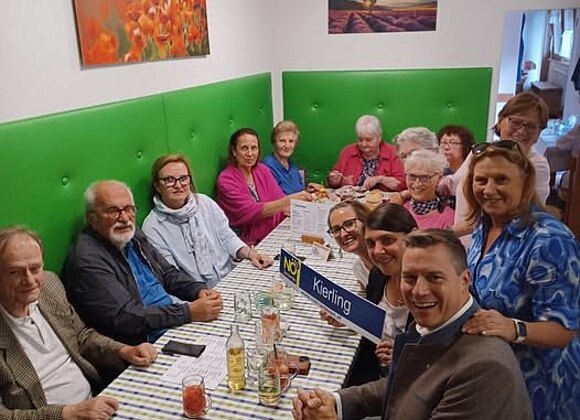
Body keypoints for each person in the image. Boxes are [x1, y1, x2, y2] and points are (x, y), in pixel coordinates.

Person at [292, 229, 532, 420]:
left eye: (434, 277)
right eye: (409, 277)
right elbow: (405, 385)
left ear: (464, 280)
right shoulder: (435, 322)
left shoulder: (484, 370)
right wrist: (336, 402)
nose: (419, 291)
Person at [461, 140, 579, 420]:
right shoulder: (484, 225)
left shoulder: (549, 239)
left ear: (525, 183)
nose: (489, 189)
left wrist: (512, 327)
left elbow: (563, 331)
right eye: (481, 180)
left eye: (501, 180)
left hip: (540, 383)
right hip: (495, 370)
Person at [0, 226, 158, 419]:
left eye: (35, 268)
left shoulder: (49, 286)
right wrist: (67, 413)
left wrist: (124, 351)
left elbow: (82, 337)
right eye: (15, 272)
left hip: (95, 404)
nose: (30, 280)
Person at [62, 180, 223, 345]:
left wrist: (197, 290)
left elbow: (167, 273)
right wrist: (188, 312)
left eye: (129, 209)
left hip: (172, 321)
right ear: (92, 218)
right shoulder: (87, 260)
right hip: (145, 343)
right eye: (113, 211)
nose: (124, 218)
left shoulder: (132, 234)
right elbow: (126, 317)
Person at [142, 154, 272, 289]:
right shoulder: (153, 227)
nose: (178, 185)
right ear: (157, 186)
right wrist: (200, 294)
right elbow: (172, 275)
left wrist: (251, 254)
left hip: (230, 276)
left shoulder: (205, 203)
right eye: (169, 180)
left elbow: (226, 237)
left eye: (183, 178)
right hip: (196, 292)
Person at [323, 204, 416, 386]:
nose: (378, 251)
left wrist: (405, 356)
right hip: (376, 369)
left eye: (387, 240)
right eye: (371, 243)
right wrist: (347, 317)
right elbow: (378, 321)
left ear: (412, 237)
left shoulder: (429, 288)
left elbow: (446, 353)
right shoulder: (378, 275)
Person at [446, 92, 551, 240]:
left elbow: (518, 217)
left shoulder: (537, 165)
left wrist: (447, 233)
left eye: (531, 126)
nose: (522, 130)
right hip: (467, 245)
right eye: (516, 122)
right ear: (501, 121)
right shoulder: (481, 151)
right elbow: (453, 183)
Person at [216, 128, 312, 246]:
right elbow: (250, 211)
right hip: (245, 243)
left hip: (272, 233)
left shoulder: (262, 170)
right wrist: (289, 200)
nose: (250, 154)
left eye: (254, 148)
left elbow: (279, 200)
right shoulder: (226, 179)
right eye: (244, 148)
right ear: (234, 151)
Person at [328, 115, 404, 191]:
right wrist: (335, 180)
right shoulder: (347, 152)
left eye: (368, 140)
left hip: (382, 198)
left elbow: (401, 185)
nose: (364, 144)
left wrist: (380, 179)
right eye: (360, 140)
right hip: (350, 197)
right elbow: (333, 184)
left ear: (379, 138)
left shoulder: (393, 153)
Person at [402, 149, 454, 229]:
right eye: (412, 176)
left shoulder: (448, 217)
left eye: (424, 178)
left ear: (439, 179)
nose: (417, 184)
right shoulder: (400, 207)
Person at [326, 201, 372, 290]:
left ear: (365, 222)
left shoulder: (389, 261)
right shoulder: (359, 269)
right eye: (336, 230)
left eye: (349, 224)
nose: (343, 234)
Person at [263, 120, 304, 195]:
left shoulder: (291, 165)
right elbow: (275, 198)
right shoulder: (266, 167)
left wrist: (308, 191)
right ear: (274, 142)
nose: (287, 146)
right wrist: (302, 195)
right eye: (282, 141)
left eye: (291, 141)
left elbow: (298, 190)